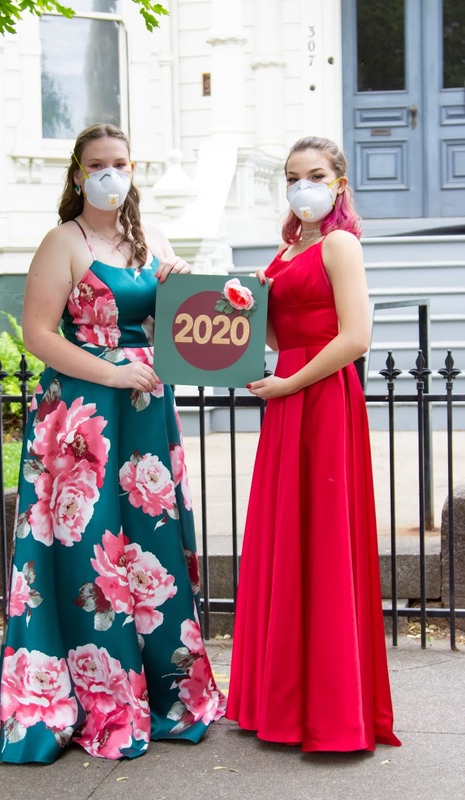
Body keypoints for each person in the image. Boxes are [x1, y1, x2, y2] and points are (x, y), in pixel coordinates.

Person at [0, 123, 225, 763]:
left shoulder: (149, 239)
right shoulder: (62, 242)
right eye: (98, 164)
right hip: (84, 417)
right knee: (87, 548)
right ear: (77, 175)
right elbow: (40, 335)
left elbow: (174, 322)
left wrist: (180, 279)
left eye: (120, 162)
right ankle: (93, 698)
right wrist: (112, 371)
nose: (110, 173)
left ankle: (165, 695)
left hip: (147, 413)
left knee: (148, 550)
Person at [226, 136, 401, 752]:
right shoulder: (288, 248)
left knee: (322, 542)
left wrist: (289, 385)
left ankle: (330, 712)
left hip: (322, 397)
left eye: (317, 175)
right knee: (287, 542)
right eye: (294, 176)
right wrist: (247, 297)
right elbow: (276, 334)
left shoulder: (341, 244)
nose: (304, 186)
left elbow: (355, 337)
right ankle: (283, 701)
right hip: (287, 396)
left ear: (339, 184)